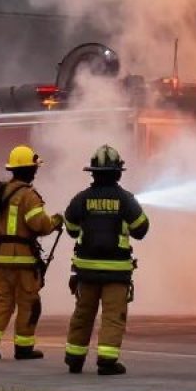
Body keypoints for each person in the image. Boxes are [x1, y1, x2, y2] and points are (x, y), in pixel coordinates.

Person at [63, 144, 149, 375]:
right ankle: (107, 361)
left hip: (86, 271)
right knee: (112, 317)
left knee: (83, 313)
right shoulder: (126, 200)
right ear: (118, 172)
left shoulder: (80, 199)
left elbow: (70, 227)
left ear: (93, 172)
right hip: (116, 273)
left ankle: (74, 358)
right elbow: (141, 229)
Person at [0, 144, 62, 360]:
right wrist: (56, 221)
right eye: (34, 168)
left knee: (3, 299)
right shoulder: (29, 196)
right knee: (28, 302)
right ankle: (24, 348)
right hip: (23, 260)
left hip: (0, 257)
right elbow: (39, 225)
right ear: (29, 170)